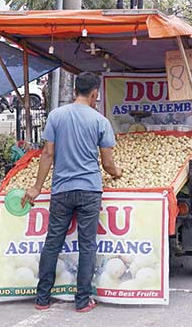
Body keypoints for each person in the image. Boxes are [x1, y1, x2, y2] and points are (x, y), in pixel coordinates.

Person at [22, 72, 123, 313]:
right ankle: (82, 300)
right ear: (94, 93)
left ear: (75, 90)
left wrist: (36, 187)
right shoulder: (100, 121)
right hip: (89, 190)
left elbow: (47, 154)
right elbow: (107, 164)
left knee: (53, 241)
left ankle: (42, 298)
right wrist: (118, 173)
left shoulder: (56, 116)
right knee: (87, 244)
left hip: (62, 190)